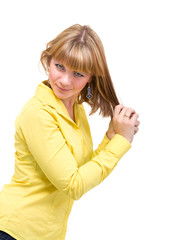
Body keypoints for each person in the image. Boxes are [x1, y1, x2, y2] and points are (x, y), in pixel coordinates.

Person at [0, 24, 140, 240]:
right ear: (48, 61)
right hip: (15, 231)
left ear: (91, 77)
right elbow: (73, 185)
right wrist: (121, 141)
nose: (65, 80)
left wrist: (111, 137)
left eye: (78, 73)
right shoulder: (38, 114)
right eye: (59, 66)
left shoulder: (76, 109)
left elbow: (80, 170)